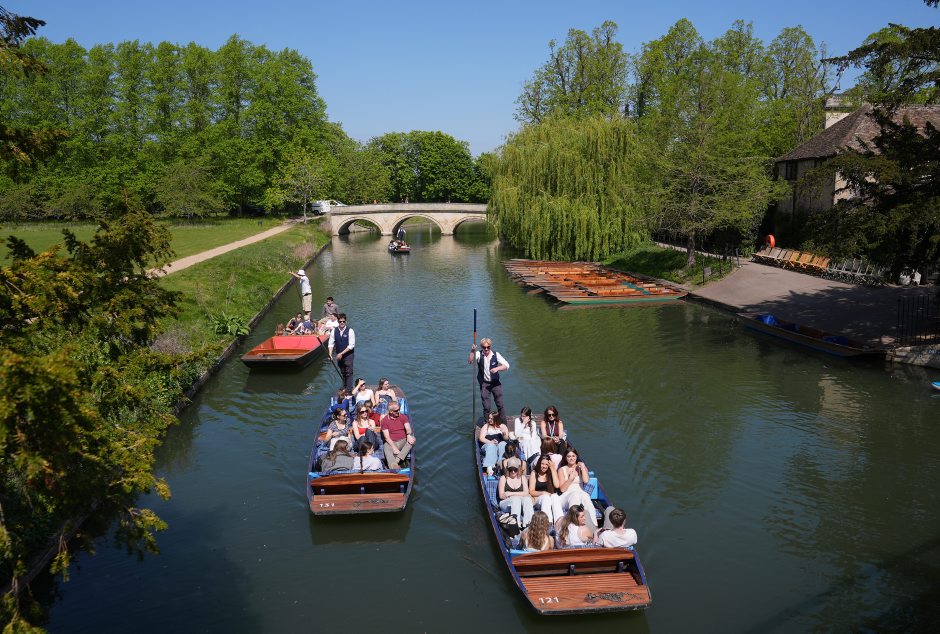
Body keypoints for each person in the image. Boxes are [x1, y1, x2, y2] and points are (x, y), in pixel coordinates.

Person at [468, 337, 510, 421]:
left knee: (500, 404)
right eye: (484, 347)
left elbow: (507, 365)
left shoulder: (496, 354)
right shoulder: (479, 354)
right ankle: (487, 423)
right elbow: (470, 361)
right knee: (486, 407)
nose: (486, 349)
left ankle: (503, 422)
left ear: (490, 346)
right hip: (484, 384)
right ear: (481, 347)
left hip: (495, 383)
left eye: (488, 347)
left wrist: (497, 368)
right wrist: (472, 351)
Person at [557, 447, 596, 529]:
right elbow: (562, 489)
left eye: (573, 456)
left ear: (576, 456)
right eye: (569, 456)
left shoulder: (581, 467)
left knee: (586, 496)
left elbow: (586, 481)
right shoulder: (561, 470)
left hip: (580, 494)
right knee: (575, 495)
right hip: (566, 496)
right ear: (565, 458)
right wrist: (570, 479)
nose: (571, 458)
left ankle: (594, 526)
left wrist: (583, 467)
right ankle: (574, 527)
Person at [498, 457, 534, 528]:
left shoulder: (522, 478)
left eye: (515, 469)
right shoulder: (503, 478)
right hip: (505, 504)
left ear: (518, 469)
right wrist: (517, 496)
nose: (513, 472)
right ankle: (515, 524)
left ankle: (528, 523)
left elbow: (526, 493)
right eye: (511, 469)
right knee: (515, 500)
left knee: (527, 499)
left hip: (518, 502)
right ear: (507, 469)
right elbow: (501, 495)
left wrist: (510, 494)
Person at [528, 454, 564, 524]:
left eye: (546, 464)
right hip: (539, 499)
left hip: (550, 497)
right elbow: (531, 491)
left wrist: (553, 469)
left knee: (555, 496)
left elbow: (557, 485)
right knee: (545, 497)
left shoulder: (551, 472)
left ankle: (559, 522)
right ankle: (548, 523)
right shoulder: (534, 473)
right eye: (542, 464)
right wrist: (543, 493)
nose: (544, 466)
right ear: (539, 463)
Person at [381, 402, 415, 469]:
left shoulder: (403, 417)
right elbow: (387, 437)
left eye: (399, 409)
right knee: (386, 447)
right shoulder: (384, 421)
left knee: (412, 438)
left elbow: (408, 428)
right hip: (391, 442)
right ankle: (394, 466)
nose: (398, 411)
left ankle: (396, 461)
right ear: (391, 411)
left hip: (403, 440)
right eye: (396, 410)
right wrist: (394, 447)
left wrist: (408, 435)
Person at [328, 313, 355, 392]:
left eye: (343, 321)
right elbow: (331, 343)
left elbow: (351, 345)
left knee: (348, 372)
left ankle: (349, 390)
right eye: (340, 321)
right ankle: (344, 386)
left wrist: (341, 354)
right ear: (338, 322)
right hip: (339, 355)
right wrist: (330, 354)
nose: (342, 323)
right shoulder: (334, 331)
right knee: (342, 371)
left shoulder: (350, 331)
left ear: (346, 321)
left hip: (348, 354)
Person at [478, 411, 509, 476]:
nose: (489, 420)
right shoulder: (486, 426)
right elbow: (481, 438)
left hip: (499, 445)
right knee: (491, 446)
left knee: (503, 443)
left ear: (496, 419)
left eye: (491, 418)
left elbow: (506, 438)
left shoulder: (502, 426)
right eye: (489, 418)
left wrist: (504, 434)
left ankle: (501, 464)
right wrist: (490, 442)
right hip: (488, 445)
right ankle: (489, 467)